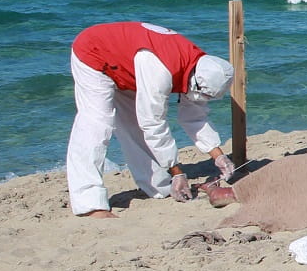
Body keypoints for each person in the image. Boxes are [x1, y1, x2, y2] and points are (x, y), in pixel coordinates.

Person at [66, 21, 236, 218]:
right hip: (94, 53)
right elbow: (153, 124)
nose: (202, 100)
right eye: (202, 95)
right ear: (195, 82)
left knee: (132, 125)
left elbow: (194, 117)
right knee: (97, 123)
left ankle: (159, 187)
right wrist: (177, 172)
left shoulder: (202, 69)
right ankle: (89, 204)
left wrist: (219, 156)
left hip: (127, 65)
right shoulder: (160, 71)